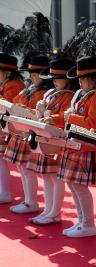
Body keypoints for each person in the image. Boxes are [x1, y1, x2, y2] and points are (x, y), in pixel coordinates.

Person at [57, 56, 96, 238]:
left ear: (95, 79)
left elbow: (94, 124)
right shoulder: (84, 94)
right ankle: (81, 221)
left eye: (83, 78)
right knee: (72, 185)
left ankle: (88, 224)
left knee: (79, 187)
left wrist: (70, 117)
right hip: (74, 145)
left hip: (85, 147)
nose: (79, 82)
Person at [26, 58, 77, 225]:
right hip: (45, 138)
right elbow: (41, 116)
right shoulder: (51, 93)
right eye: (53, 77)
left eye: (58, 77)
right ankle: (48, 210)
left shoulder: (69, 96)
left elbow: (65, 118)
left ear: (68, 79)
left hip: (57, 140)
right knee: (46, 176)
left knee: (55, 178)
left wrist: (46, 112)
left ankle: (55, 212)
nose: (54, 81)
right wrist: (38, 111)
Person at [4, 55, 52, 214]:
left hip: (28, 132)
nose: (31, 77)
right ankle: (27, 200)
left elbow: (27, 108)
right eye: (30, 74)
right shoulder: (29, 88)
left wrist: (20, 107)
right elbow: (16, 101)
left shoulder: (44, 93)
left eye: (35, 74)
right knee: (21, 168)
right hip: (20, 131)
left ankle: (31, 201)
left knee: (27, 169)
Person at [0, 52, 25, 204]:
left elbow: (7, 105)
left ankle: (4, 192)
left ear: (7, 73)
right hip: (4, 127)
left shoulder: (14, 85)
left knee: (1, 160)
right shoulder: (7, 84)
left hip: (7, 128)